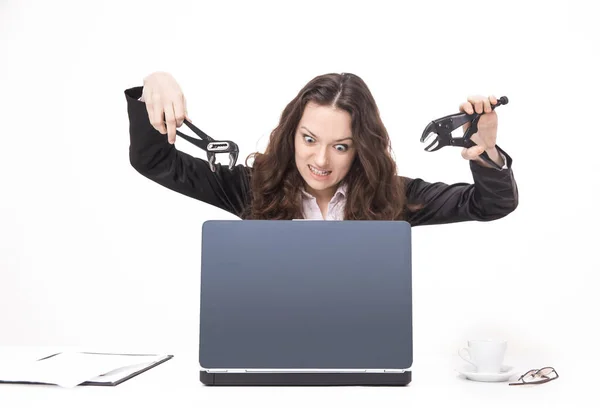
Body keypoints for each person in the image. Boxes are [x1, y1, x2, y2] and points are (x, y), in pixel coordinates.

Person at [125, 71, 518, 224]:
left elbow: (490, 204)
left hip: (364, 346)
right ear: (291, 133)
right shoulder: (252, 187)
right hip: (267, 342)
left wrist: (485, 152)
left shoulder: (393, 197)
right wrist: (153, 87)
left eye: (341, 147)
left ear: (362, 147)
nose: (320, 160)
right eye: (309, 139)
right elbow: (154, 160)